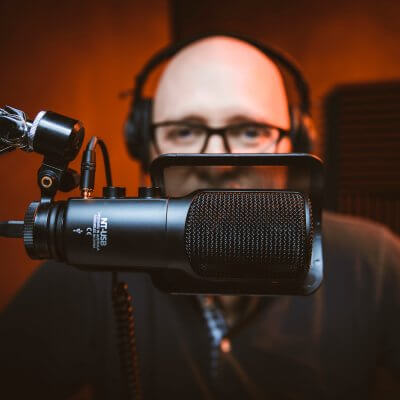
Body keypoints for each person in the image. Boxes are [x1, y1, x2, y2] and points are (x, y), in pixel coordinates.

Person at [1, 34, 400, 400]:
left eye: (249, 131)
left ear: (297, 141)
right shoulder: (84, 260)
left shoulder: (373, 262)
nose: (218, 162)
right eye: (185, 130)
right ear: (143, 143)